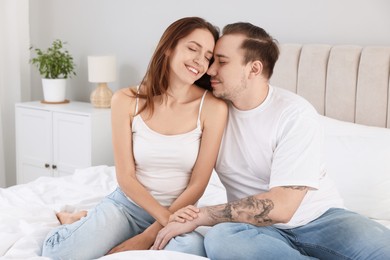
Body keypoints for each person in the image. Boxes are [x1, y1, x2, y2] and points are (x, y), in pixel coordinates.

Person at [152, 22, 390, 259]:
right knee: (222, 239)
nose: (211, 70)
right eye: (212, 61)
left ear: (254, 69)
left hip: (322, 220)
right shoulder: (211, 112)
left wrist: (201, 216)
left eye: (222, 62)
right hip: (255, 230)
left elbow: (283, 207)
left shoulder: (294, 113)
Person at [41, 17, 228, 259]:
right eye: (192, 48)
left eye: (207, 56)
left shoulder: (212, 108)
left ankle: (90, 221)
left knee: (189, 252)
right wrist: (163, 220)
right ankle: (73, 220)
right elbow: (125, 177)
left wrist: (150, 235)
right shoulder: (126, 99)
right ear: (169, 47)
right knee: (59, 253)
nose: (199, 61)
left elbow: (198, 183)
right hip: (127, 206)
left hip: (179, 211)